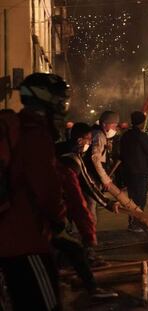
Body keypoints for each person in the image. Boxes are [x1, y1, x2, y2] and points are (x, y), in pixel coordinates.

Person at [0, 73, 69, 310]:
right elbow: (47, 187)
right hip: (24, 241)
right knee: (46, 305)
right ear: (44, 98)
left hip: (11, 239)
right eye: (60, 100)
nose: (63, 106)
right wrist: (60, 221)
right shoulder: (34, 134)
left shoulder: (21, 128)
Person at [55, 123, 119, 298]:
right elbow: (87, 186)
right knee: (71, 246)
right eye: (89, 140)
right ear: (79, 140)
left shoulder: (59, 150)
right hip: (53, 210)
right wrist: (107, 204)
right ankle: (89, 287)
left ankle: (64, 276)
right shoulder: (72, 158)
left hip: (53, 208)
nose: (89, 144)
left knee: (66, 246)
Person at [120, 111, 148, 232]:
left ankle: (132, 222)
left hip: (129, 172)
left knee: (132, 199)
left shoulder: (125, 136)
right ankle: (137, 223)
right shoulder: (142, 136)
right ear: (141, 123)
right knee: (140, 199)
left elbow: (122, 153)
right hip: (140, 172)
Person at [84, 111, 119, 224]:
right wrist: (105, 179)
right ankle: (89, 233)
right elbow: (95, 158)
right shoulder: (99, 135)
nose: (115, 128)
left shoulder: (98, 133)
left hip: (92, 173)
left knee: (91, 203)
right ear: (104, 124)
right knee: (91, 203)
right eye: (113, 125)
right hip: (91, 174)